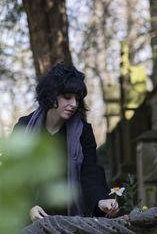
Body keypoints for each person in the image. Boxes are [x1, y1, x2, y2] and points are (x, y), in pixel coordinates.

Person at [13, 63, 118, 222]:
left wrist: (101, 201)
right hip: (32, 220)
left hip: (70, 219)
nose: (74, 104)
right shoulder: (24, 127)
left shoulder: (83, 131)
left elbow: (91, 173)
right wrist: (29, 207)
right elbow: (14, 175)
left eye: (77, 99)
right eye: (67, 97)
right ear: (50, 95)